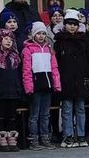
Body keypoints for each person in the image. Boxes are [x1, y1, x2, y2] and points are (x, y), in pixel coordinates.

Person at [55, 13, 89, 148]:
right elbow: (57, 61)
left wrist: (88, 75)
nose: (72, 27)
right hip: (65, 79)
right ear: (65, 25)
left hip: (81, 79)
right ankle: (68, 135)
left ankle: (81, 135)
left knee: (80, 109)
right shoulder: (60, 40)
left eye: (75, 24)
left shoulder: (83, 40)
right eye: (69, 24)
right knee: (66, 109)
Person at [21, 22, 60, 150]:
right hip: (36, 87)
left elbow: (54, 68)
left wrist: (57, 85)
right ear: (33, 35)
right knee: (34, 115)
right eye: (38, 33)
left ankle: (45, 137)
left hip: (47, 86)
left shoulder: (49, 49)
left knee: (45, 114)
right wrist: (29, 88)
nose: (41, 36)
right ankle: (34, 139)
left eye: (43, 33)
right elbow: (26, 71)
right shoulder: (28, 50)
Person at [0, 28, 24, 151]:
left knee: (12, 116)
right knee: (0, 116)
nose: (9, 41)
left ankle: (12, 138)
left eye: (11, 39)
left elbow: (20, 75)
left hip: (13, 91)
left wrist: (20, 89)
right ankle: (2, 138)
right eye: (6, 39)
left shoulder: (16, 57)